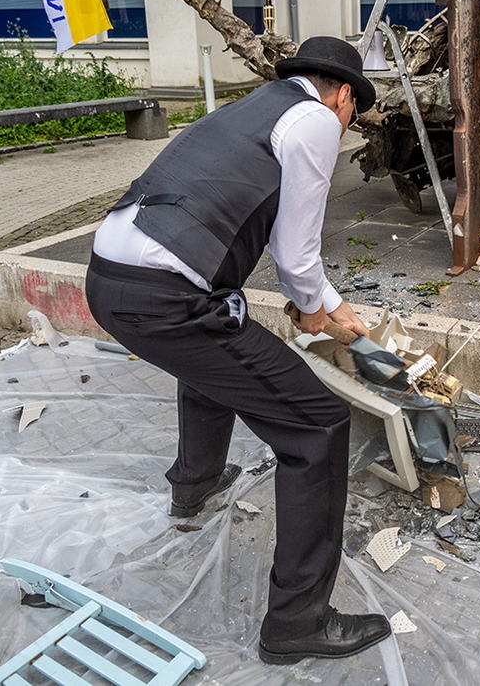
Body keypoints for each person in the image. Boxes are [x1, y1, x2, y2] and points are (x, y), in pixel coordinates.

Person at [84, 36, 392, 665]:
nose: (347, 126)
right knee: (317, 425)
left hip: (111, 280)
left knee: (216, 354)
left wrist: (329, 305)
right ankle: (298, 622)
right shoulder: (314, 121)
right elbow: (297, 252)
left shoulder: (256, 107)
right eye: (353, 114)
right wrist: (314, 309)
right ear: (342, 96)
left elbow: (281, 243)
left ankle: (194, 485)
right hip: (166, 298)